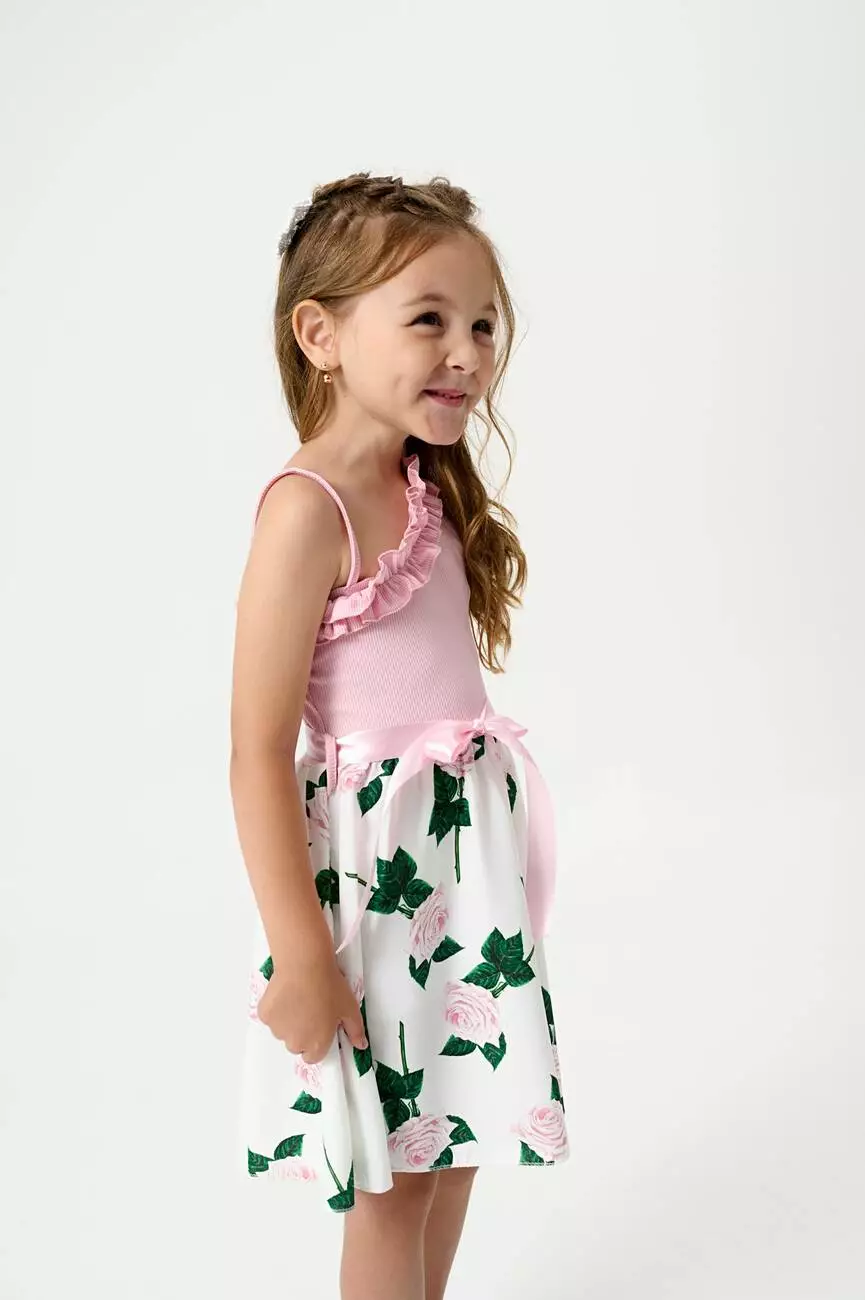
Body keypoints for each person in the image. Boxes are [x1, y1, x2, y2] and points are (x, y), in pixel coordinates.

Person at [230, 172, 569, 1300]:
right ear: (320, 334)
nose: (465, 352)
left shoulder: (423, 484)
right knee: (393, 1177)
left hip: (459, 867)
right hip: (380, 884)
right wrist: (300, 954)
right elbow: (254, 750)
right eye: (429, 319)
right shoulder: (306, 508)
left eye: (483, 325)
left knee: (457, 1139)